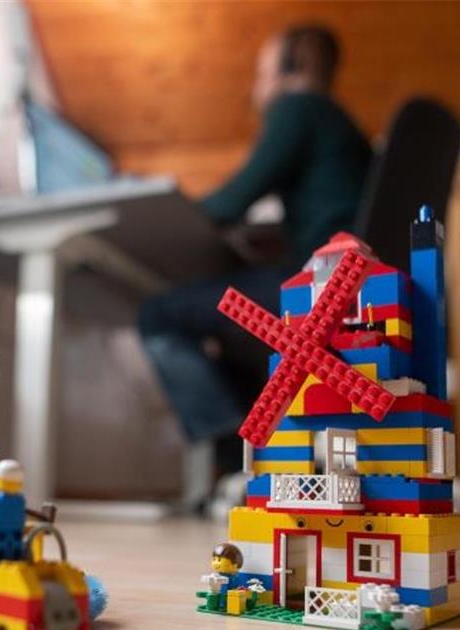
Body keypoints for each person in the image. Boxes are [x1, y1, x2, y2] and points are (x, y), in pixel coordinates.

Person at [139, 24, 373, 476]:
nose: (257, 87)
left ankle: (236, 453)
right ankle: (255, 453)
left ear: (291, 68)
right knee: (232, 336)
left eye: (262, 72)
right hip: (355, 289)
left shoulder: (298, 108)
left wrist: (162, 211)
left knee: (159, 316)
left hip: (319, 290)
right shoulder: (341, 124)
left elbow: (232, 201)